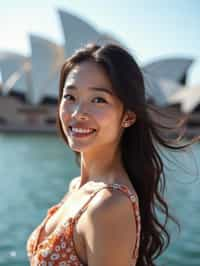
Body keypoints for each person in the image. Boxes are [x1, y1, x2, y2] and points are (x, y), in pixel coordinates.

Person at [26, 43, 199, 266]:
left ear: (128, 116)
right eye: (70, 97)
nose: (78, 113)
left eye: (98, 99)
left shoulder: (109, 206)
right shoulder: (78, 186)